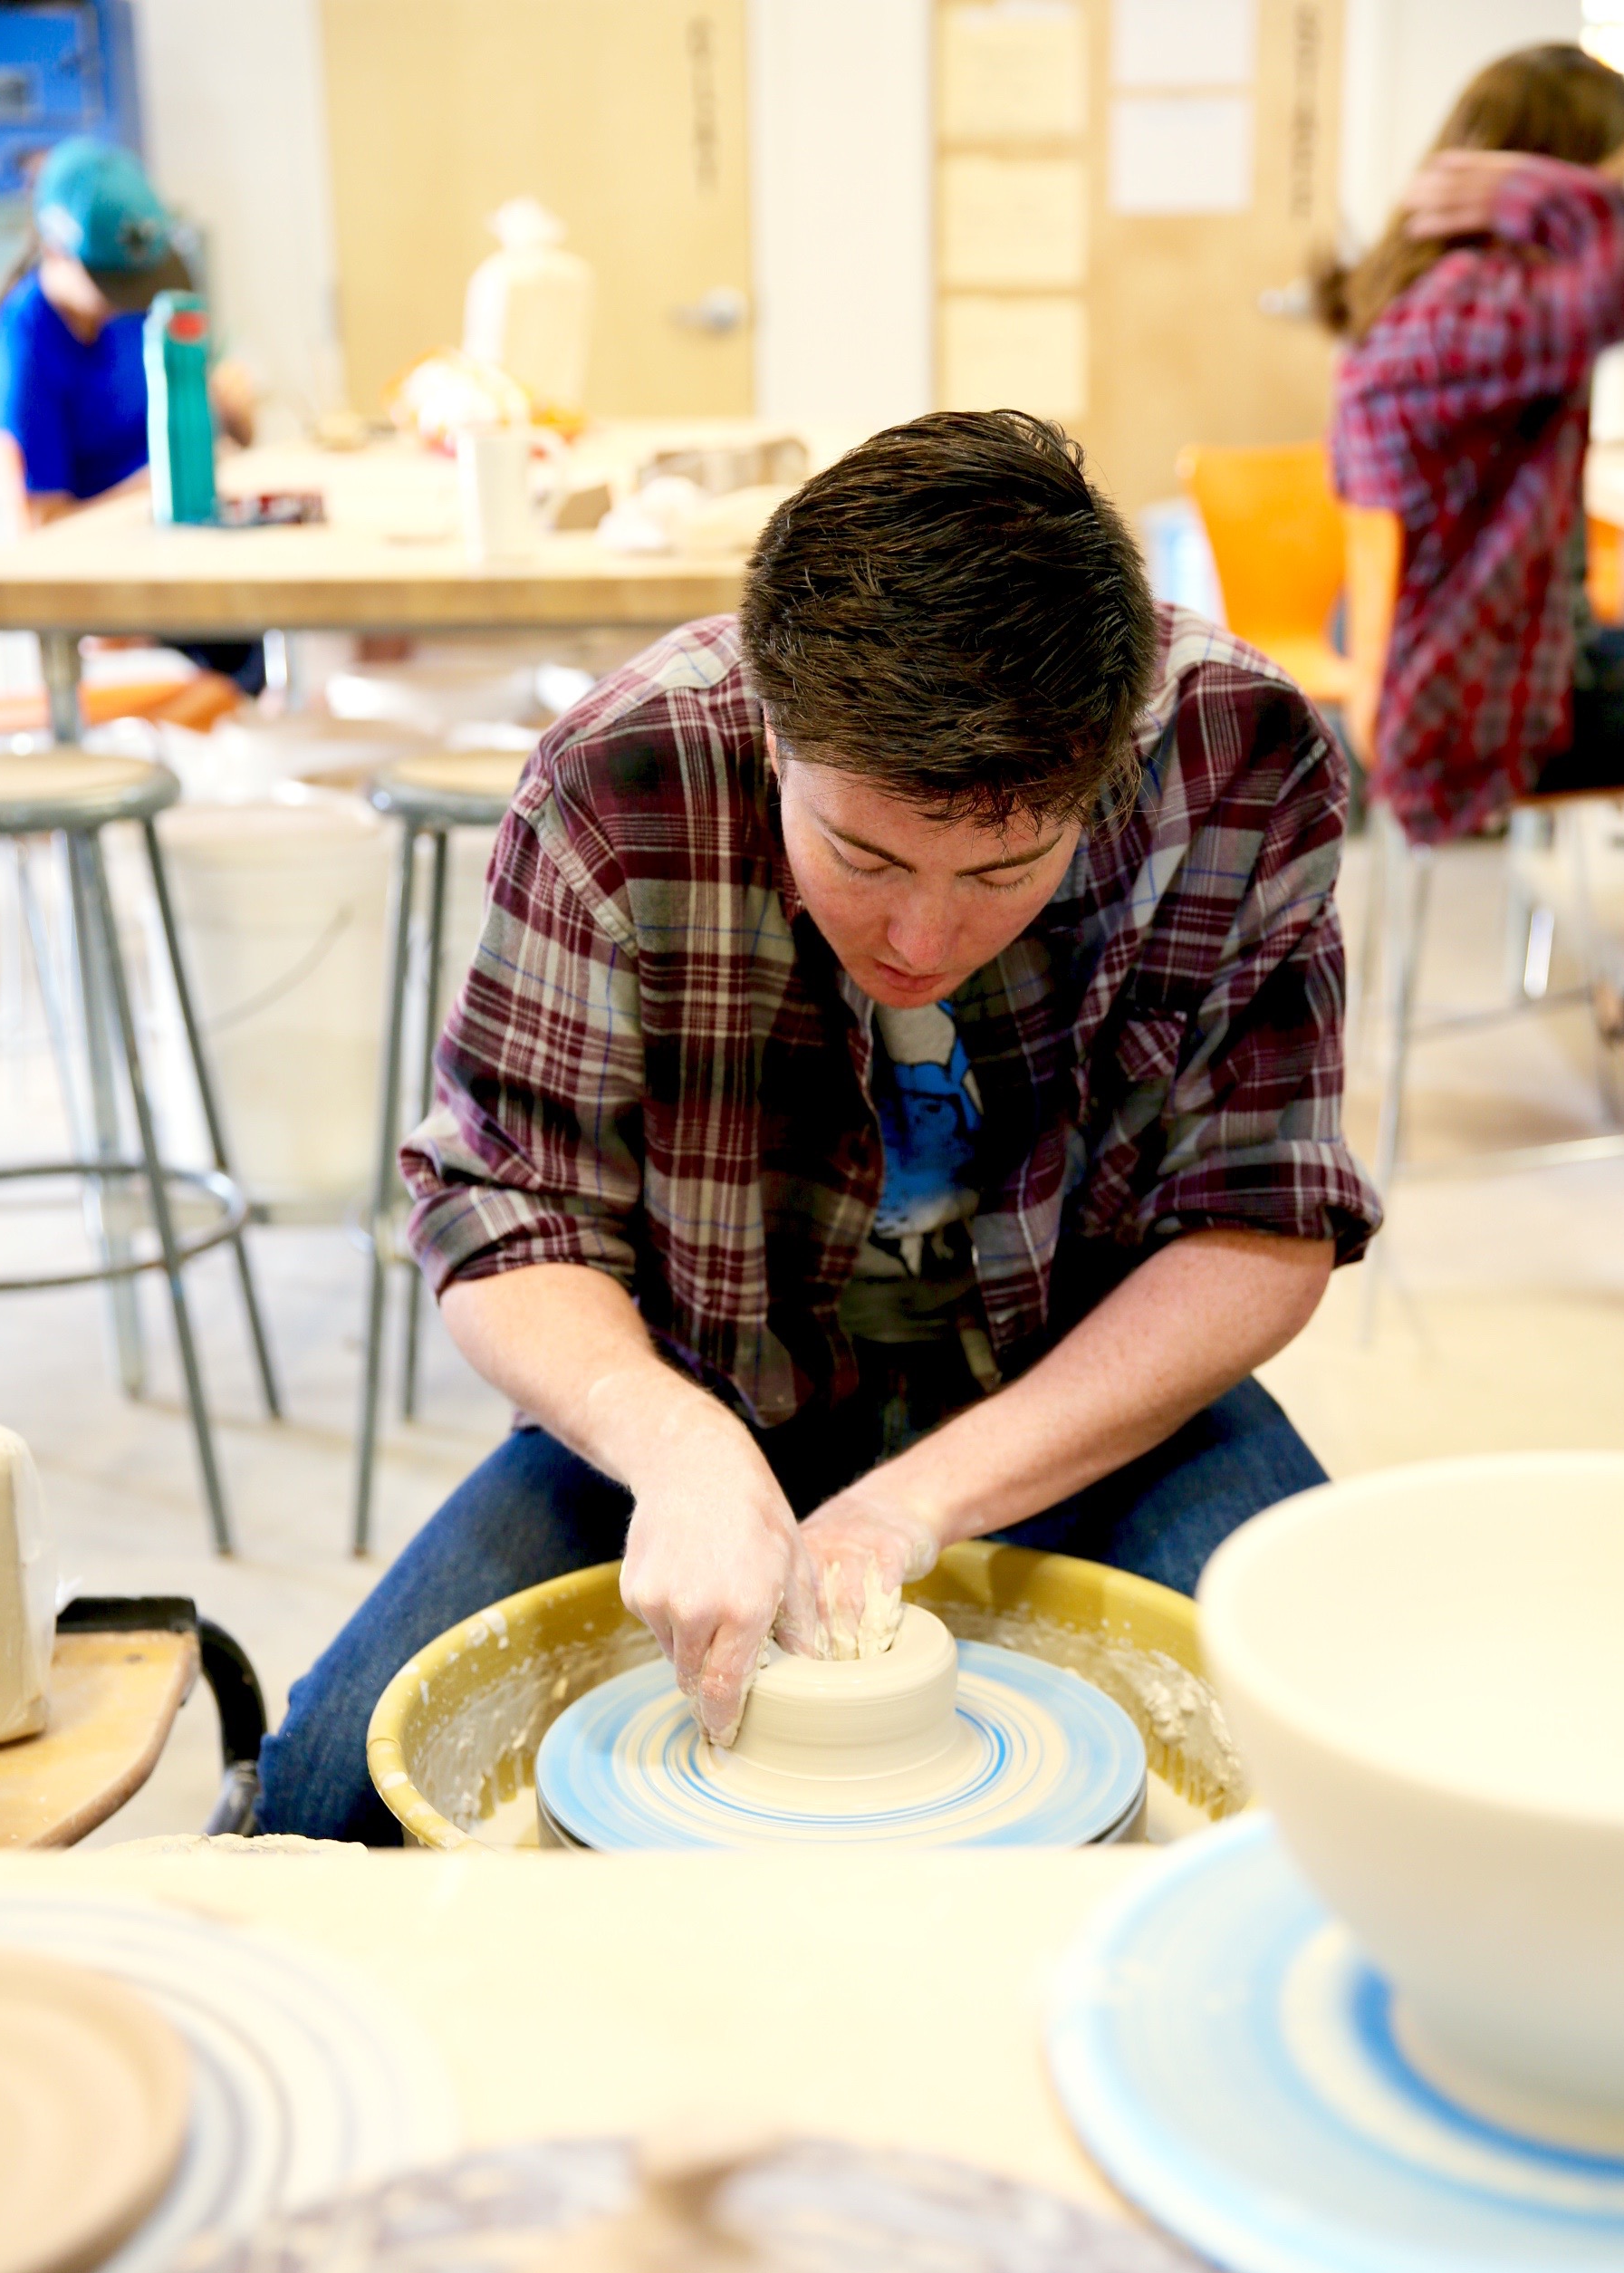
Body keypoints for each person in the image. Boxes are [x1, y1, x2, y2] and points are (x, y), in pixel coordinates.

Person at [255, 410, 1379, 1843]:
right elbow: (498, 1211)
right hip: (716, 1381)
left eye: (1001, 869)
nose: (922, 933)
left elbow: (1261, 1220)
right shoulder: (621, 779)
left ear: (1106, 764)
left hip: (1083, 1392)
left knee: (1342, 1777)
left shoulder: (1238, 757)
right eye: (865, 855)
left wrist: (910, 1508)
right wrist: (667, 1442)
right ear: (772, 729)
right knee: (328, 1796)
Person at [1325, 44, 1624, 1047]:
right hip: (1473, 709)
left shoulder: (1437, 300)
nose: (1613, 211)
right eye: (1610, 185)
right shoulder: (1482, 309)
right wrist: (1532, 191)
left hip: (1449, 678)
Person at [0, 137, 261, 691]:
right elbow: (40, 530)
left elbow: (234, 435)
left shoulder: (131, 313)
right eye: (110, 281)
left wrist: (231, 410)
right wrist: (158, 484)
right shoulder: (22, 352)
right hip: (111, 600)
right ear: (56, 251)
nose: (126, 299)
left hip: (177, 556)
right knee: (243, 663)